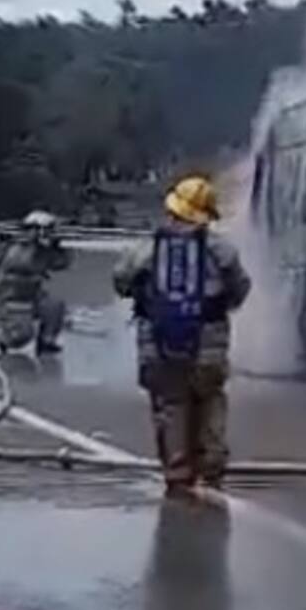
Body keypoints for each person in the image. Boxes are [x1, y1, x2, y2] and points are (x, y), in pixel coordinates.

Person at [113, 176, 251, 498]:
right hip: (209, 346)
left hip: (157, 345)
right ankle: (211, 470)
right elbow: (240, 290)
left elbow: (121, 282)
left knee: (171, 405)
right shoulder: (222, 250)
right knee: (210, 400)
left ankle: (177, 475)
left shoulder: (146, 249)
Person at [0, 210, 72, 356]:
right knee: (20, 338)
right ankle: (3, 337)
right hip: (11, 300)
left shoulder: (42, 250)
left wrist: (59, 247)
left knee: (55, 306)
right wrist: (42, 247)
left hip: (32, 296)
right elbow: (26, 264)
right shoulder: (16, 249)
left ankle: (46, 341)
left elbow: (62, 264)